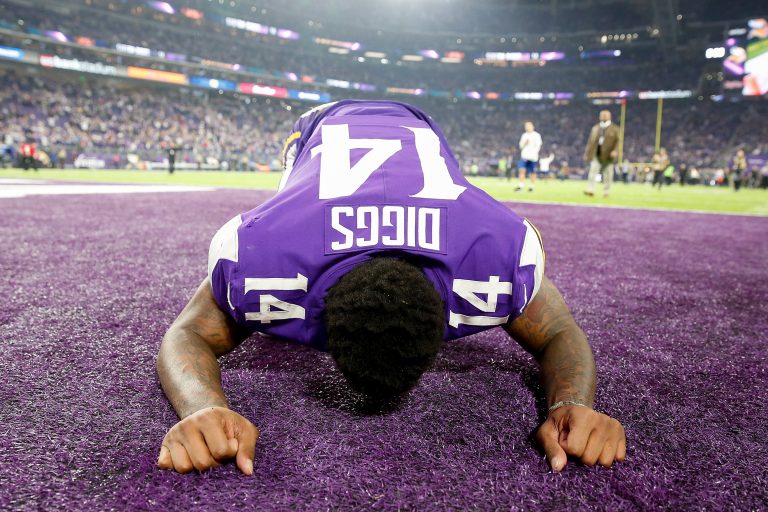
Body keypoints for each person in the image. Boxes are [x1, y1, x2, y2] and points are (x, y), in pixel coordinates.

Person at [156, 100, 626, 476]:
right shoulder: (492, 253)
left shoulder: (265, 255)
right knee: (294, 188)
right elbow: (557, 328)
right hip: (321, 125)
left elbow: (188, 332)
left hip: (417, 127)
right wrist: (572, 403)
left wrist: (204, 407)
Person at [583, 110, 620, 197]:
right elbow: (590, 142)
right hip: (596, 153)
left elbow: (618, 142)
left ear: (609, 116)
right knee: (592, 172)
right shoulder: (595, 128)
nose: (603, 116)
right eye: (602, 115)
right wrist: (587, 154)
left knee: (608, 174)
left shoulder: (615, 128)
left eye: (605, 115)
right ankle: (590, 189)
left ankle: (606, 191)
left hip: (608, 155)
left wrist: (615, 151)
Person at [515, 121, 542, 192]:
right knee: (521, 170)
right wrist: (525, 143)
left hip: (533, 157)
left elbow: (538, 146)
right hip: (524, 156)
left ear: (533, 126)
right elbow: (520, 146)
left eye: (529, 126)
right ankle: (521, 186)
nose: (527, 127)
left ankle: (531, 187)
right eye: (526, 126)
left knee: (532, 172)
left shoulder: (537, 135)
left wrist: (534, 153)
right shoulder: (524, 135)